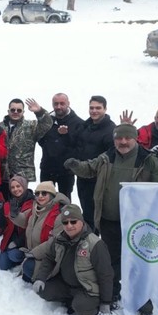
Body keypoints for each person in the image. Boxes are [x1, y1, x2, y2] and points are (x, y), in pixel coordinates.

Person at [64, 123, 158, 315]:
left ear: (135, 138)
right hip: (109, 220)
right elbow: (89, 168)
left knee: (138, 265)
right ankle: (112, 294)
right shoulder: (107, 157)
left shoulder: (147, 160)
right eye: (119, 138)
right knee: (111, 262)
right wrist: (75, 165)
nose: (123, 142)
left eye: (127, 138)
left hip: (136, 225)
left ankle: (144, 307)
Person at [32, 204, 114, 315]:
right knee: (44, 291)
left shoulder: (95, 244)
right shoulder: (60, 238)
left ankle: (90, 312)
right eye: (65, 223)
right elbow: (49, 258)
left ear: (81, 221)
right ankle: (71, 300)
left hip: (87, 288)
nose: (69, 226)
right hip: (66, 284)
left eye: (73, 221)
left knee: (80, 306)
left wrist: (106, 302)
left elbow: (105, 274)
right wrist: (40, 278)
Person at [10, 181, 70, 281]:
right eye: (37, 193)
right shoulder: (36, 207)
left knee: (28, 268)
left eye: (44, 193)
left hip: (49, 257)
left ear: (51, 195)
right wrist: (14, 214)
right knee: (13, 256)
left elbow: (55, 242)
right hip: (32, 251)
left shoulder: (59, 214)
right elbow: (24, 220)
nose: (40, 196)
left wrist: (34, 253)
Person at [72, 96, 115, 230]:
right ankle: (87, 238)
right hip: (82, 175)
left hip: (98, 179)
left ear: (105, 109)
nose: (94, 111)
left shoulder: (110, 129)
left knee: (95, 213)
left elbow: (112, 155)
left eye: (98, 108)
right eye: (92, 108)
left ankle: (94, 241)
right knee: (85, 208)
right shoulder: (86, 126)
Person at [1, 98, 52, 198]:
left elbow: (47, 124)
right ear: (8, 111)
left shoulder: (31, 126)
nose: (16, 112)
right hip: (3, 173)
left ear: (23, 112)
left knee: (20, 203)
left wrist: (39, 112)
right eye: (13, 110)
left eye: (19, 110)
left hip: (22, 173)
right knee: (4, 202)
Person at [38, 93, 85, 197]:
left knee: (64, 201)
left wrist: (65, 136)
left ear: (68, 103)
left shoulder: (79, 123)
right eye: (56, 104)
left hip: (66, 171)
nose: (58, 107)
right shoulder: (47, 122)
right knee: (44, 199)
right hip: (47, 168)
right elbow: (40, 140)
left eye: (62, 103)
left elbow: (79, 148)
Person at [0, 175, 34, 272]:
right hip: (10, 238)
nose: (15, 189)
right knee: (3, 265)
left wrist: (17, 242)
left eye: (18, 186)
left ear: (24, 186)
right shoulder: (8, 204)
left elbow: (31, 228)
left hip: (24, 240)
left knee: (13, 255)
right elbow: (2, 225)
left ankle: (22, 257)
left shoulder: (33, 203)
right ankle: (13, 254)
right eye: (12, 187)